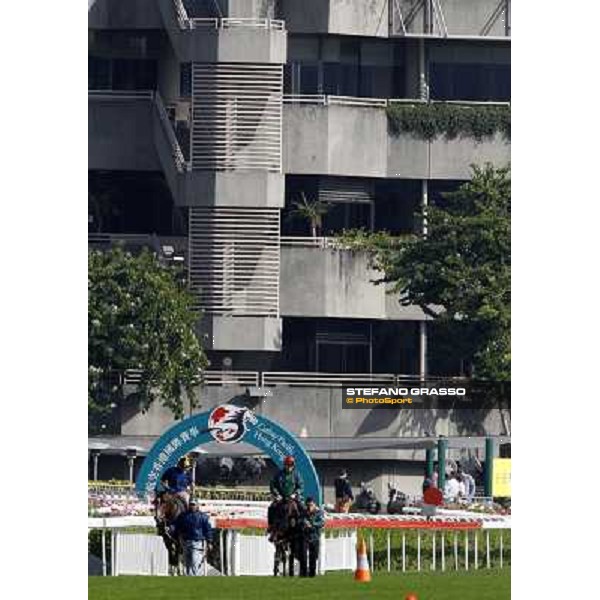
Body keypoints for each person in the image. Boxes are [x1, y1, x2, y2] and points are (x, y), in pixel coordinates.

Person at [170, 498, 213, 576]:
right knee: (187, 563)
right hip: (185, 542)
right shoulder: (183, 516)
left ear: (197, 505)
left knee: (194, 562)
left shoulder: (203, 517)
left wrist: (209, 541)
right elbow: (177, 527)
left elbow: (208, 530)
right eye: (190, 504)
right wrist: (173, 533)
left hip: (197, 543)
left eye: (193, 504)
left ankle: (193, 578)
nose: (192, 506)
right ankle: (189, 579)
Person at [267, 455, 304, 540]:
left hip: (293, 498)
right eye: (287, 465)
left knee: (302, 507)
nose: (289, 467)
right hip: (281, 498)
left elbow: (301, 486)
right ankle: (270, 526)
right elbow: (273, 485)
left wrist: (295, 494)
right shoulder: (278, 474)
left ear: (293, 466)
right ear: (284, 465)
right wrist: (277, 494)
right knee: (271, 508)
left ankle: (302, 527)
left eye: (290, 465)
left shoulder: (296, 475)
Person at [300, 497, 325, 577]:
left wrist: (313, 524)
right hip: (305, 536)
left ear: (314, 505)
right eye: (308, 505)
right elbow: (300, 520)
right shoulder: (304, 512)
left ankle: (312, 573)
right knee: (303, 555)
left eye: (311, 505)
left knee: (313, 556)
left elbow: (322, 522)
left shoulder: (319, 512)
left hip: (314, 536)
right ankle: (303, 572)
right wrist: (304, 523)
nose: (309, 507)